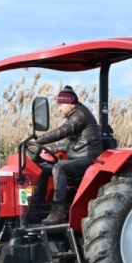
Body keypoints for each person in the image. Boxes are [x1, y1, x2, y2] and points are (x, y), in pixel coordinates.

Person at [31, 85, 103, 225]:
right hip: (77, 156)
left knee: (59, 168)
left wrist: (38, 140)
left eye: (60, 104)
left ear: (70, 103)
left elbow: (63, 131)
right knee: (43, 170)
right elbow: (71, 143)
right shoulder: (75, 115)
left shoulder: (79, 115)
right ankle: (38, 207)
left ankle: (59, 211)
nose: (58, 109)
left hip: (88, 159)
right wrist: (49, 148)